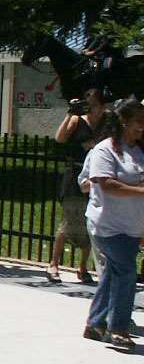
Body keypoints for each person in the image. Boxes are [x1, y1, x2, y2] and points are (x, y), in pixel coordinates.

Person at [83, 98, 144, 351]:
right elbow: (106, 185)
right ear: (124, 121)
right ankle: (117, 328)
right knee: (127, 272)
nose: (143, 126)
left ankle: (95, 323)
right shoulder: (104, 150)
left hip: (132, 226)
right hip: (107, 225)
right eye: (139, 120)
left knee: (112, 274)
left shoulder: (139, 151)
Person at [49, 88, 113, 283]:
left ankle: (83, 267)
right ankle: (54, 263)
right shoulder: (78, 119)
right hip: (75, 173)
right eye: (88, 102)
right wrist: (70, 112)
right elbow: (60, 138)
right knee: (69, 220)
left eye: (94, 103)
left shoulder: (107, 123)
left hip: (97, 175)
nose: (91, 106)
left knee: (89, 222)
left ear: (102, 105)